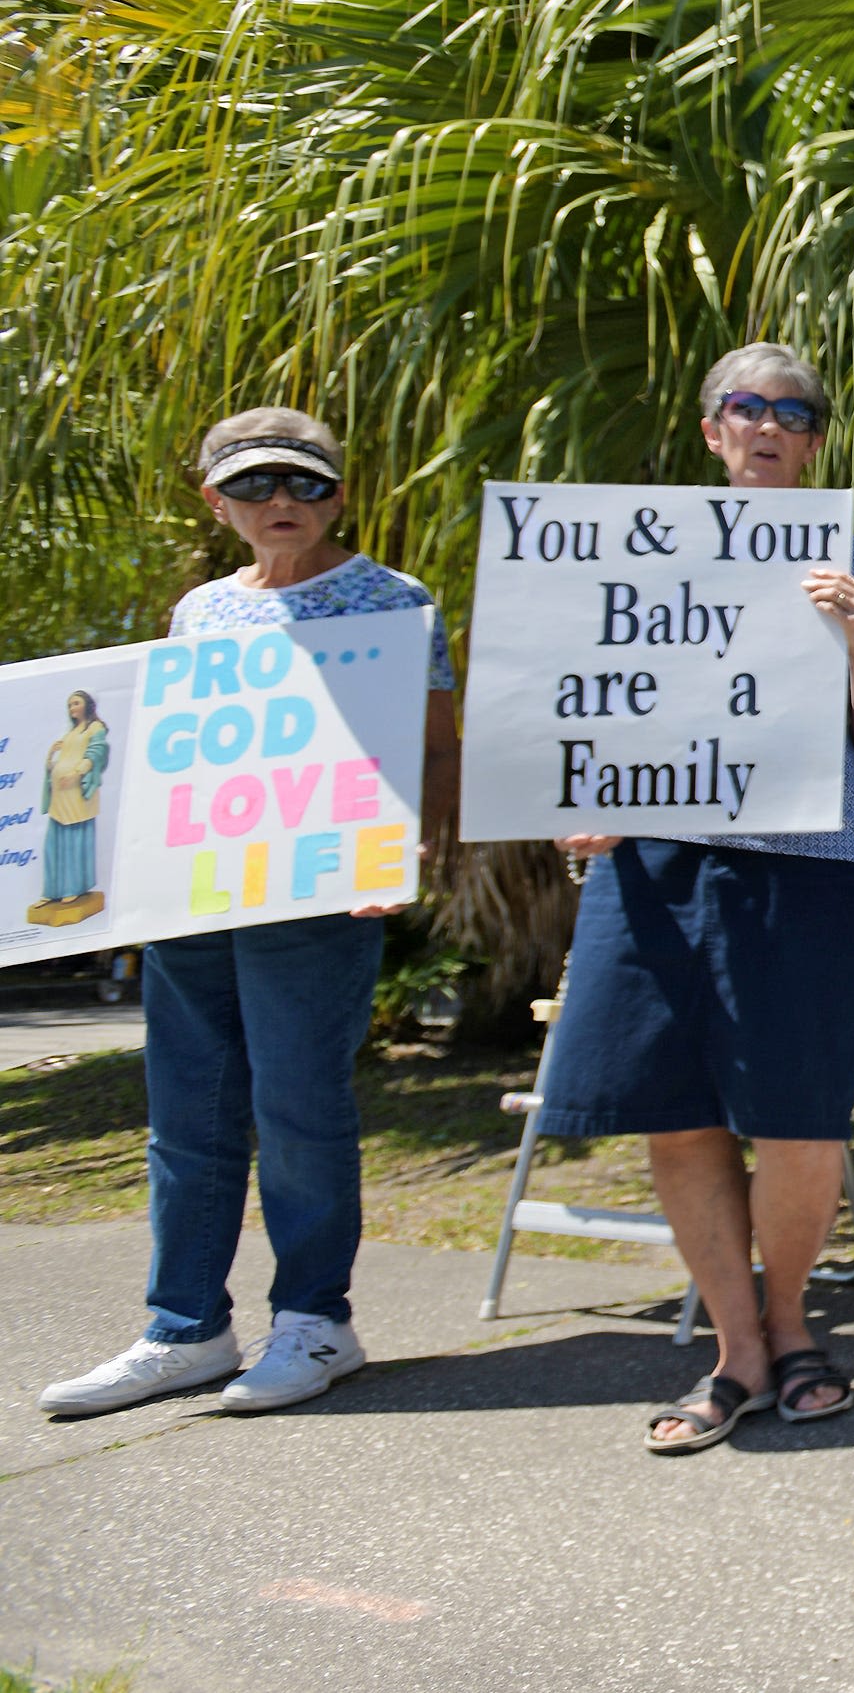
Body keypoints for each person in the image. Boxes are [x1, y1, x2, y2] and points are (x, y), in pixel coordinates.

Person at [41, 408, 461, 1418]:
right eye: (254, 486)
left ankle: (317, 1320)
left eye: (306, 484)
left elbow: (436, 746)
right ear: (215, 501)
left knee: (300, 1106)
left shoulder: (390, 599)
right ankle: (184, 1326)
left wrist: (406, 848)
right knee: (188, 1115)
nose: (281, 504)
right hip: (195, 894)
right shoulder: (200, 612)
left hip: (320, 893)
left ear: (341, 495)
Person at [546, 344, 854, 1453]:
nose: (765, 425)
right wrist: (588, 800)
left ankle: (797, 1327)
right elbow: (599, 720)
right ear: (711, 429)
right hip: (658, 867)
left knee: (798, 1119)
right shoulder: (639, 556)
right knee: (675, 1109)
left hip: (807, 869)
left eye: (789, 412)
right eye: (744, 407)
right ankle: (737, 1352)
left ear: (811, 440)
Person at [31, 691, 110, 927]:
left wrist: (77, 773)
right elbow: (56, 763)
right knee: (54, 843)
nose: (72, 707)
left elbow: (96, 754)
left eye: (75, 702)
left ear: (87, 704)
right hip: (59, 796)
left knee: (75, 840)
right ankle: (52, 889)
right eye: (69, 704)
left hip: (77, 794)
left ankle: (72, 887)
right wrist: (50, 757)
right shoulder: (70, 733)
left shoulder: (95, 728)